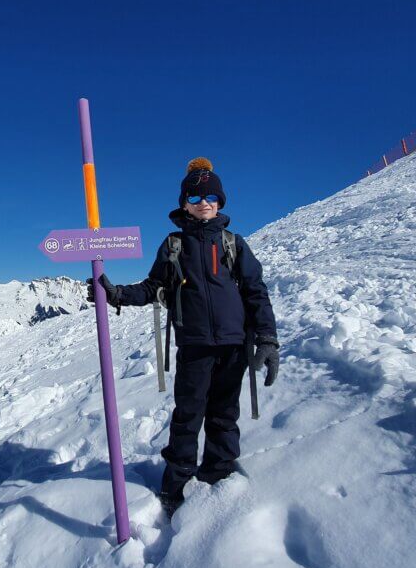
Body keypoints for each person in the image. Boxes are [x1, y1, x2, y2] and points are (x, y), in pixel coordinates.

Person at [86, 157, 280, 519]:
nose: (203, 202)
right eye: (195, 197)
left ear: (220, 201)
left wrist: (267, 338)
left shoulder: (233, 243)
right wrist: (117, 295)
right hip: (194, 347)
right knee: (188, 416)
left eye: (210, 196)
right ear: (184, 204)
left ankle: (218, 472)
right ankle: (175, 483)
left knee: (224, 414)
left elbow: (256, 291)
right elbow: (154, 287)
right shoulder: (174, 245)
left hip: (234, 345)